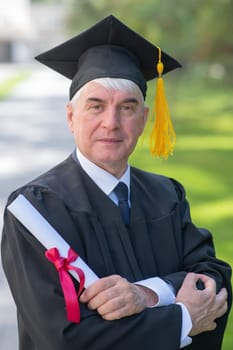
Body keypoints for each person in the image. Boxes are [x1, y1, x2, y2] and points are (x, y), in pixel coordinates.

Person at [1, 15, 231, 350]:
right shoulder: (36, 210)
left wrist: (148, 294)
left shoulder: (167, 195)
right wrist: (183, 319)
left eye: (127, 107)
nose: (111, 123)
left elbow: (214, 279)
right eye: (96, 106)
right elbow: (64, 339)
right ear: (70, 117)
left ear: (144, 119)